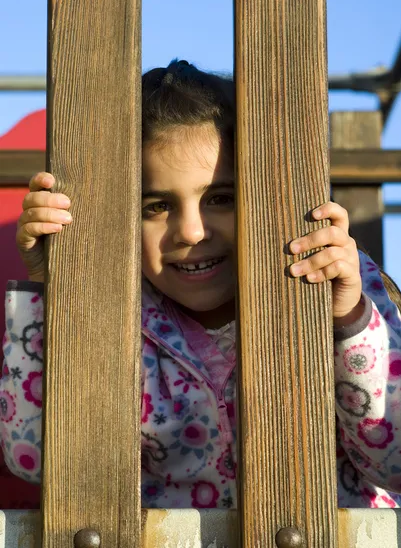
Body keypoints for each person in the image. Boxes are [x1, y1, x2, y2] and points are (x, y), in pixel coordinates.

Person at [2, 59, 401, 509]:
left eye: (221, 199)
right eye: (155, 206)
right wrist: (51, 290)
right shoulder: (114, 311)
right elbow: (35, 458)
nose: (191, 231)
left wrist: (347, 319)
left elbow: (395, 461)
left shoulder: (342, 284)